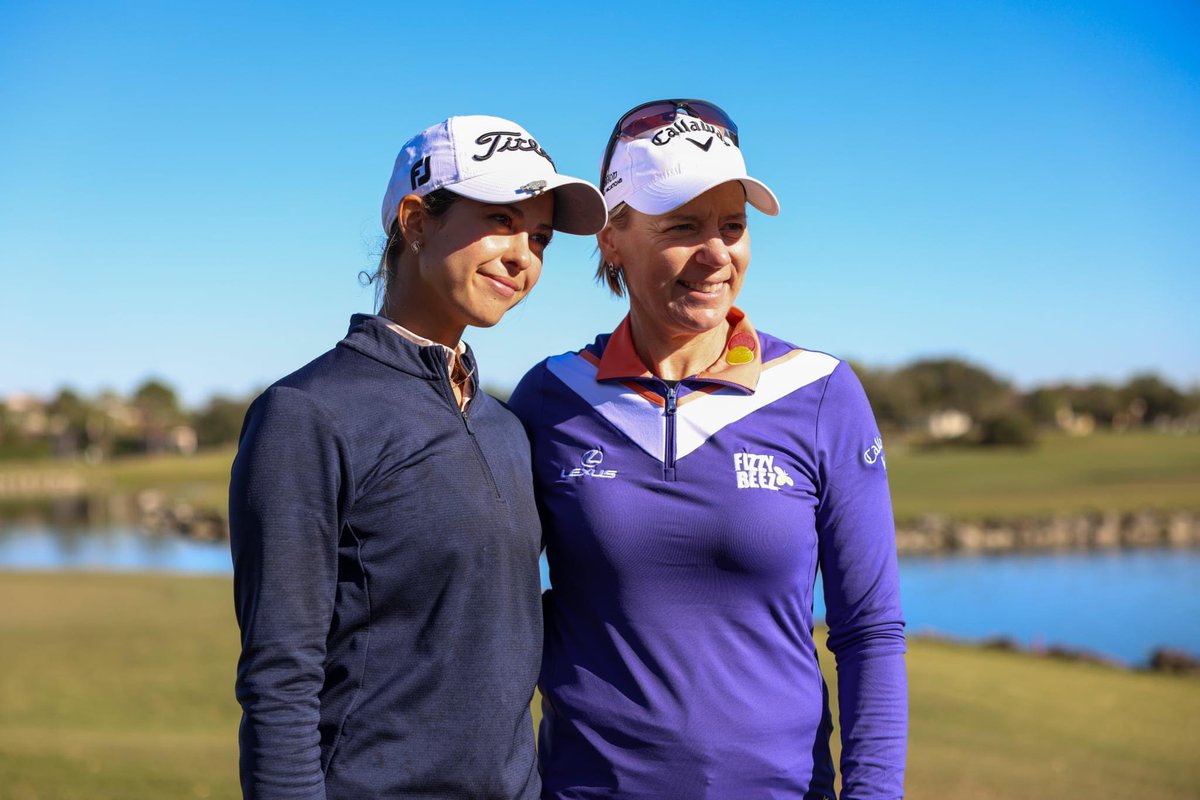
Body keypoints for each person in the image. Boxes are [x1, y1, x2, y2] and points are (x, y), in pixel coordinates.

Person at [509, 100, 907, 799]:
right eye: (683, 226)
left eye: (733, 225)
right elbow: (494, 609)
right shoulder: (551, 397)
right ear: (612, 239)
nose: (717, 253)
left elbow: (868, 631)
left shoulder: (819, 392)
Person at [229, 115, 606, 800]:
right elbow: (280, 682)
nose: (524, 255)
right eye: (500, 218)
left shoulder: (505, 425)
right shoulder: (308, 414)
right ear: (416, 221)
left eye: (541, 237)